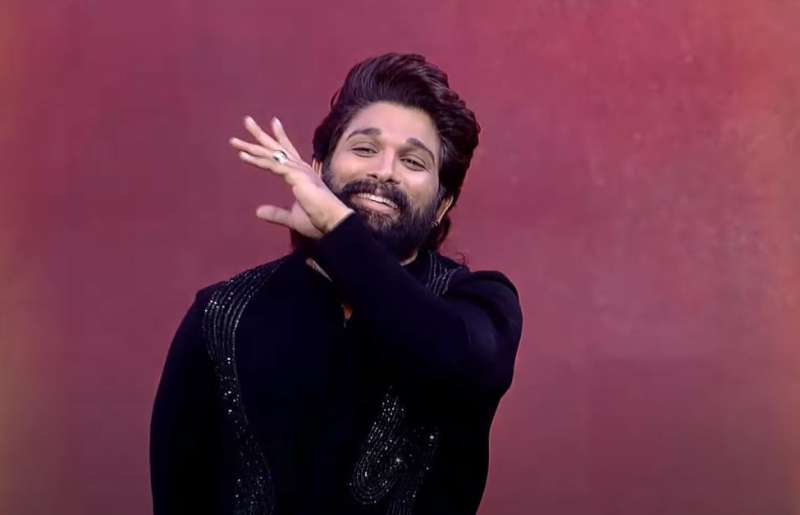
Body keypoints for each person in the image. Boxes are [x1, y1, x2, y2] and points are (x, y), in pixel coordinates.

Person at [150, 52, 523, 515]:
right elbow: (179, 493)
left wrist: (337, 231)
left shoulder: (478, 303)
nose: (383, 171)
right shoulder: (221, 314)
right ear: (318, 167)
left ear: (442, 205)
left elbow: (453, 358)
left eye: (413, 161)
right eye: (364, 150)